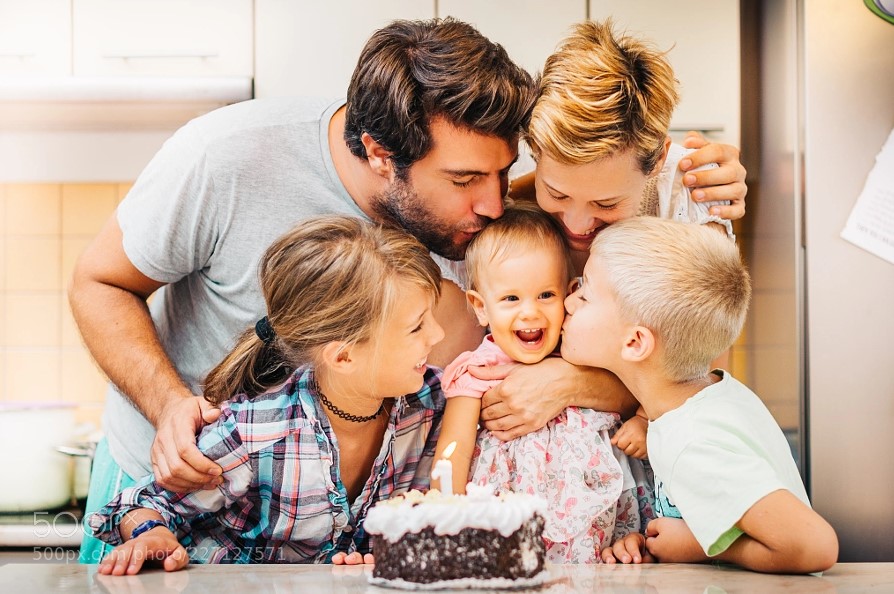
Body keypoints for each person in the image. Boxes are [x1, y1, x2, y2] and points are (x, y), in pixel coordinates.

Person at [69, 17, 746, 562]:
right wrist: (168, 408)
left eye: (506, 172)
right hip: (180, 490)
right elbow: (98, 282)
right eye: (463, 181)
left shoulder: (480, 219)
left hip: (349, 521)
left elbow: (673, 366)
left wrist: (572, 382)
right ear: (381, 155)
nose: (493, 205)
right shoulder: (225, 158)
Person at [90, 216, 446, 574]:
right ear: (343, 356)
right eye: (417, 326)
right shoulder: (256, 429)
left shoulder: (433, 403)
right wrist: (152, 533)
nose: (438, 334)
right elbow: (137, 505)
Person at [479, 19, 746, 445]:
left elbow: (701, 378)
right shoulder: (502, 193)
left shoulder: (690, 193)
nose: (578, 225)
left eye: (606, 204)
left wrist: (570, 382)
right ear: (534, 154)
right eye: (556, 193)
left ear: (657, 162)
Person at [561, 217, 838, 574]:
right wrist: (657, 545)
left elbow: (813, 545)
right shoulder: (710, 396)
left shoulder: (692, 441)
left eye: (585, 295)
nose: (568, 303)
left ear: (634, 342)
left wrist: (700, 547)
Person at [433, 203, 652, 563]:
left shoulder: (583, 352)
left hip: (600, 529)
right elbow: (451, 454)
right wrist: (448, 526)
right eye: (511, 298)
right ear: (480, 306)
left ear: (569, 293)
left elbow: (644, 381)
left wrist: (642, 420)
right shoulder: (478, 370)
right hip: (507, 528)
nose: (530, 311)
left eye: (545, 295)